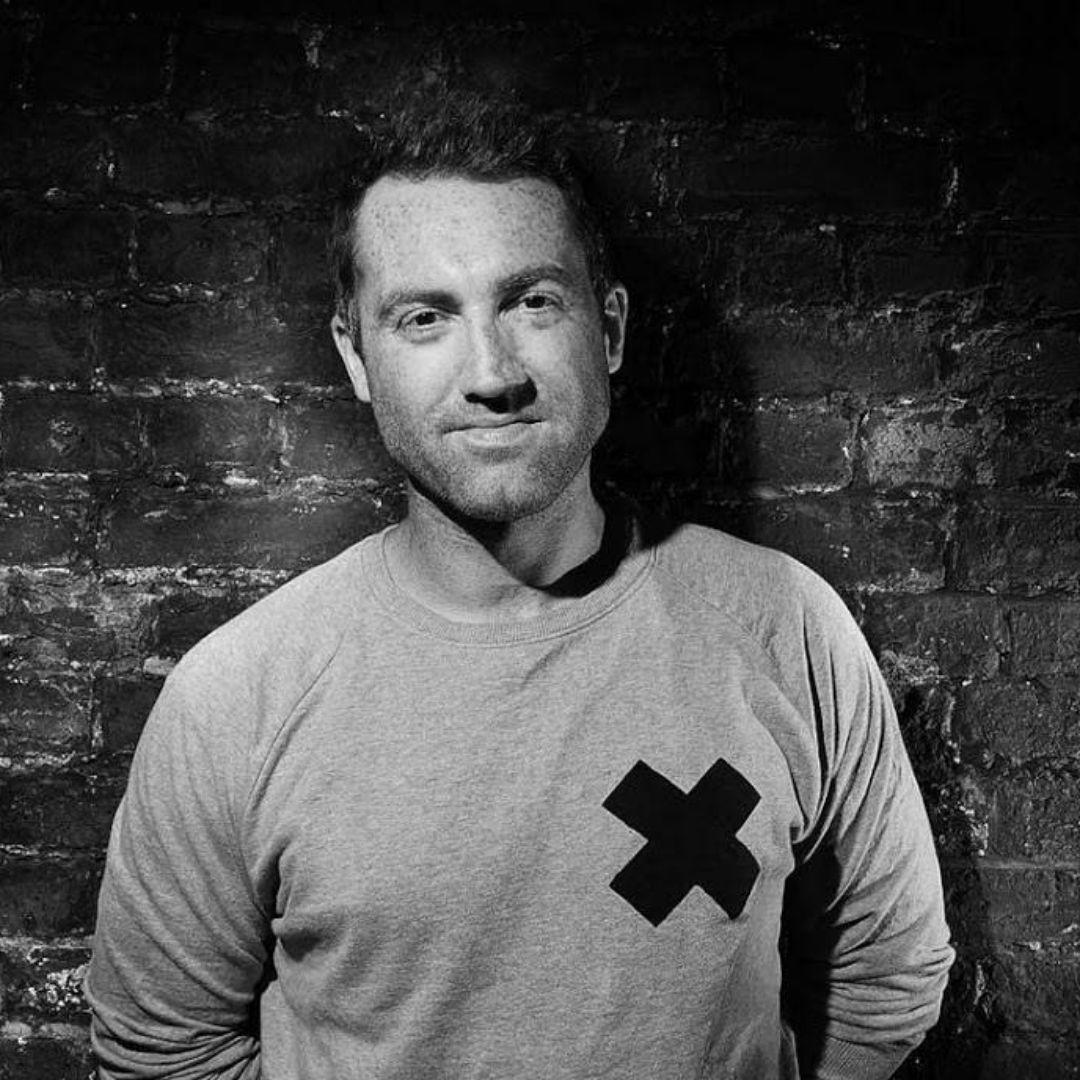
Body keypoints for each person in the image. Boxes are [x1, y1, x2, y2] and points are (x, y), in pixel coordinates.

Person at [84, 91, 954, 1079]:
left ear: (609, 330)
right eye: (424, 318)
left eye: (532, 302)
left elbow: (888, 975)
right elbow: (162, 1052)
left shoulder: (783, 626)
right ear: (356, 357)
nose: (493, 373)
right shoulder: (238, 694)